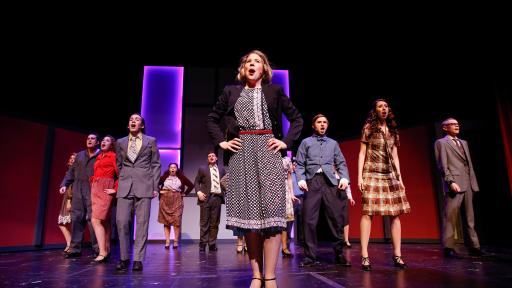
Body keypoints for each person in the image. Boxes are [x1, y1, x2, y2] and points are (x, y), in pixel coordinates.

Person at [206, 50, 303, 288]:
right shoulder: (231, 91)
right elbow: (212, 118)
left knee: (271, 216)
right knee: (250, 218)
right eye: (248, 61)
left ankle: (270, 276)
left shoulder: (275, 91)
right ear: (243, 68)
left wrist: (286, 142)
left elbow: (297, 119)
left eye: (257, 61)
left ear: (264, 68)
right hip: (240, 155)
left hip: (268, 152)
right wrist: (222, 142)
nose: (252, 64)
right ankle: (256, 275)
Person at [357, 99, 410, 271]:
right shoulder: (368, 128)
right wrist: (360, 177)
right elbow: (361, 153)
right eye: (380, 106)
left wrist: (400, 178)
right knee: (368, 213)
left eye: (386, 106)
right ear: (375, 110)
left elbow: (395, 156)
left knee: (395, 214)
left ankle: (397, 255)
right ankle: (364, 256)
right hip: (372, 173)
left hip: (390, 174)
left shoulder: (393, 130)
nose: (384, 109)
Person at [295, 114, 351, 268]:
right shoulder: (306, 142)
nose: (322, 125)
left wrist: (344, 178)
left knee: (336, 218)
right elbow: (299, 164)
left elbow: (341, 163)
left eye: (325, 122)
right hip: (312, 182)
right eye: (319, 122)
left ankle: (339, 253)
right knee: (309, 219)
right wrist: (300, 179)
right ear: (313, 125)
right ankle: (310, 256)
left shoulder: (333, 144)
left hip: (330, 182)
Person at [115, 113, 161, 272]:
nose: (133, 121)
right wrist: (124, 178)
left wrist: (155, 186)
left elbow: (155, 164)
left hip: (145, 184)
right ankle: (124, 257)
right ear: (128, 125)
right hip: (125, 185)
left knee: (142, 224)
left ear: (142, 125)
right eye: (131, 119)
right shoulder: (120, 142)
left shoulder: (151, 141)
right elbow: (119, 164)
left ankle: (138, 259)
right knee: (121, 222)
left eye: (137, 120)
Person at [434, 118, 486, 258]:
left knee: (470, 217)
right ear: (445, 128)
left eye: (457, 124)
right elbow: (442, 165)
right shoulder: (441, 143)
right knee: (450, 216)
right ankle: (448, 247)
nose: (456, 126)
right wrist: (450, 182)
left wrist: (472, 181)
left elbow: (468, 164)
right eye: (452, 124)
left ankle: (474, 246)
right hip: (455, 183)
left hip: (468, 182)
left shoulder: (464, 143)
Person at [59, 134, 100, 258]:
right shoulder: (80, 155)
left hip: (92, 190)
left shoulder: (100, 155)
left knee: (92, 219)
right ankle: (75, 249)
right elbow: (71, 172)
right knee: (76, 218)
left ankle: (98, 249)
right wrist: (64, 184)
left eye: (92, 139)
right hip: (78, 190)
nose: (89, 140)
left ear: (97, 142)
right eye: (88, 138)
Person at [90, 135, 118, 263]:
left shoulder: (113, 156)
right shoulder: (99, 156)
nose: (103, 142)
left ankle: (102, 252)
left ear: (111, 144)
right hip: (96, 188)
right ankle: (106, 249)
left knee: (96, 220)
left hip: (106, 188)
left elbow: (120, 174)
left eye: (107, 141)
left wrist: (115, 189)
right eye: (103, 140)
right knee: (105, 221)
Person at [194, 151, 226, 252]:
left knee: (215, 223)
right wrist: (198, 192)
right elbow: (196, 181)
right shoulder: (202, 168)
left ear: (216, 158)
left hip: (217, 198)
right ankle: (203, 244)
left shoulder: (221, 169)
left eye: (213, 156)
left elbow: (225, 182)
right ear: (207, 159)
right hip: (206, 198)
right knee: (204, 223)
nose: (211, 157)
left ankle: (212, 243)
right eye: (209, 156)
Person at [158, 162, 194, 249]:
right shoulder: (164, 177)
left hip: (177, 200)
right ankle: (167, 241)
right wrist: (160, 191)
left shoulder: (181, 177)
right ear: (169, 169)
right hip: (165, 200)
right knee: (166, 222)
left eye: (174, 167)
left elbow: (191, 185)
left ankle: (175, 241)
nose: (173, 168)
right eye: (171, 167)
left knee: (176, 222)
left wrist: (185, 193)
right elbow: (155, 184)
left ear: (177, 169)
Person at [58, 152, 76, 253]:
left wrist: (69, 200)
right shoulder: (69, 171)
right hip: (67, 198)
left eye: (74, 158)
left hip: (71, 199)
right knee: (63, 223)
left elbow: (71, 187)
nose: (72, 160)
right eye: (71, 158)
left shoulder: (74, 172)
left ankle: (71, 245)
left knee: (67, 222)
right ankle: (70, 244)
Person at [281, 156, 299, 257]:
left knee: (285, 220)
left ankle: (284, 247)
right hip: (270, 188)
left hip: (284, 190)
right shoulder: (265, 155)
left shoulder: (286, 160)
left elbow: (289, 178)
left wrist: (292, 194)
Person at [291, 159, 304, 246]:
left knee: (301, 219)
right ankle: (288, 240)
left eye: (297, 165)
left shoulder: (301, 176)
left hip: (300, 197)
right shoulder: (289, 175)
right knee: (290, 220)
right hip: (292, 199)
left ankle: (302, 240)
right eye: (294, 165)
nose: (295, 166)